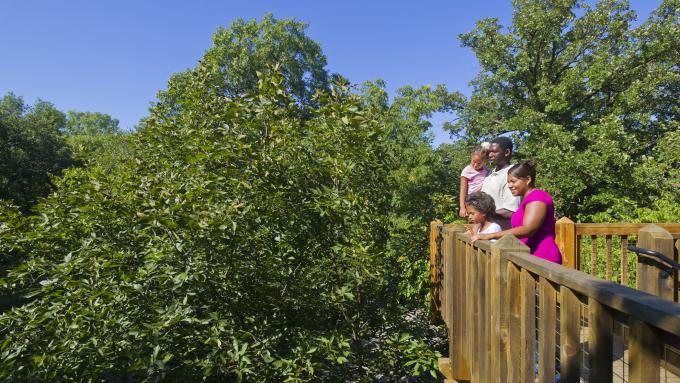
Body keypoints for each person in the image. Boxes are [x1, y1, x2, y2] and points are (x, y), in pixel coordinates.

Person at [471, 160, 562, 264]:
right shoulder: (526, 200)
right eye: (508, 182)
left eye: (513, 181)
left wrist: (490, 235)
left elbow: (528, 229)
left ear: (528, 179)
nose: (509, 185)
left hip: (543, 258)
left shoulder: (537, 196)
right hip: (529, 257)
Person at [481, 136, 520, 229]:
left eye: (494, 151)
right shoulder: (490, 175)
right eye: (489, 152)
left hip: (503, 235)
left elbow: (511, 211)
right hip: (487, 235)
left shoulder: (512, 175)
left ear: (506, 152)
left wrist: (483, 214)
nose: (490, 155)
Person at [458, 143, 491, 218]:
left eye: (479, 163)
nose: (475, 165)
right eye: (474, 161)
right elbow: (463, 191)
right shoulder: (466, 171)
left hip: (484, 200)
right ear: (471, 157)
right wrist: (462, 207)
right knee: (474, 220)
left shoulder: (487, 171)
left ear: (485, 162)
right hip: (472, 200)